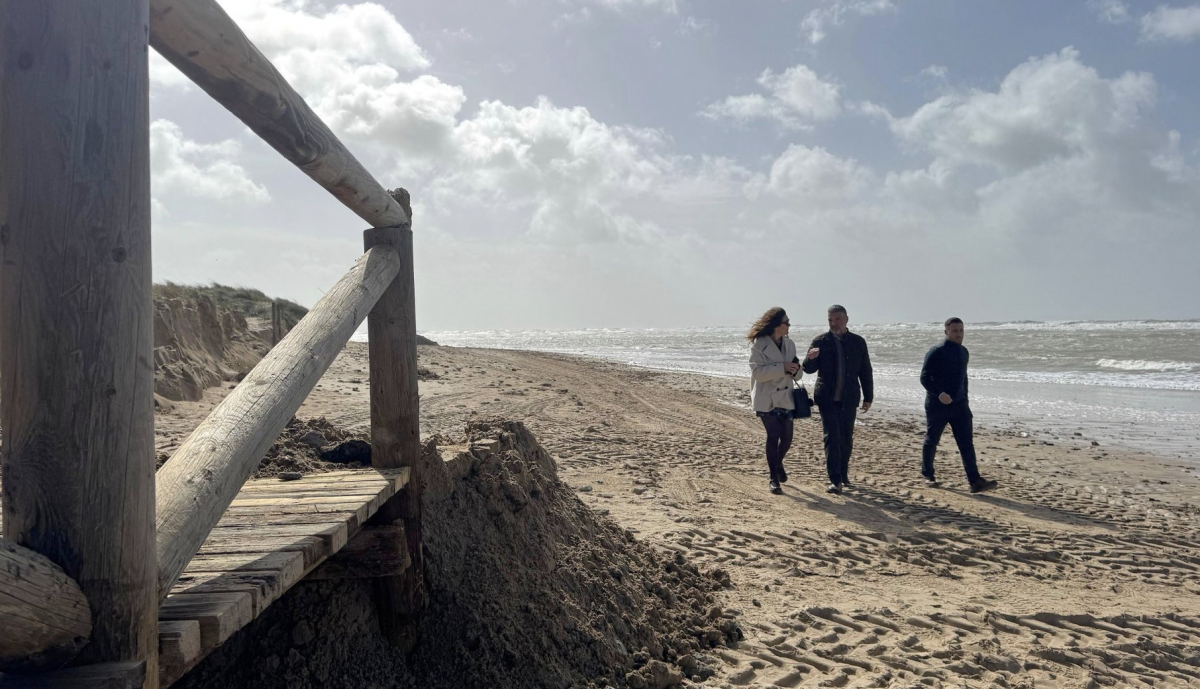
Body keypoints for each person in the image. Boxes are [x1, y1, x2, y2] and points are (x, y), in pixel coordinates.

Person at [919, 318, 998, 494]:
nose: (958, 334)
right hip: (937, 405)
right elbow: (924, 378)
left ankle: (974, 481)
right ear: (946, 332)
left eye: (961, 330)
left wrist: (966, 400)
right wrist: (939, 394)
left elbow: (964, 378)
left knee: (966, 443)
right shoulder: (936, 351)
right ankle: (928, 475)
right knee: (932, 439)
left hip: (960, 405)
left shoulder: (964, 352)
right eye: (954, 330)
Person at [803, 305, 873, 494]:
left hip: (849, 397)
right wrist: (810, 358)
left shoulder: (858, 342)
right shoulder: (821, 341)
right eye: (830, 320)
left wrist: (868, 397)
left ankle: (843, 474)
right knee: (832, 438)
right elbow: (808, 369)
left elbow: (865, 370)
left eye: (837, 319)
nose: (834, 323)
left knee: (846, 438)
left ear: (846, 319)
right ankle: (835, 480)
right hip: (827, 398)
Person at [748, 307, 801, 495]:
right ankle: (773, 478)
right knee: (773, 435)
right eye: (787, 322)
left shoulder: (790, 344)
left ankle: (778, 464)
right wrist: (782, 367)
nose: (789, 326)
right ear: (777, 324)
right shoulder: (758, 345)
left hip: (785, 396)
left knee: (787, 438)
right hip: (766, 397)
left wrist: (796, 370)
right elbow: (757, 374)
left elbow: (797, 372)